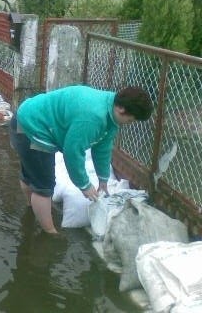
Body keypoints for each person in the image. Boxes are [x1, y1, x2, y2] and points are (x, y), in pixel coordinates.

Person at [9, 85, 153, 234]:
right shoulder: (93, 117)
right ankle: (49, 233)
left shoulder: (111, 108)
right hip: (31, 127)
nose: (128, 124)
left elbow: (102, 148)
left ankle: (32, 209)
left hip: (31, 116)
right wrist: (84, 185)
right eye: (130, 120)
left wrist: (103, 179)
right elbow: (72, 152)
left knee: (32, 174)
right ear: (122, 109)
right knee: (44, 185)